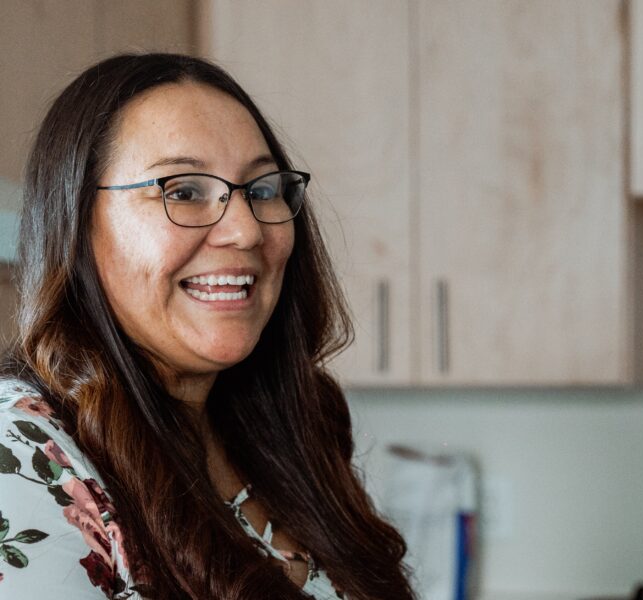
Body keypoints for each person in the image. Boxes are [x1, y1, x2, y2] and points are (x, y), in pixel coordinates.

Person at [0, 53, 415, 600]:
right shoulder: (23, 456)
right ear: (76, 226)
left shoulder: (292, 426)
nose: (245, 230)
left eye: (263, 189)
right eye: (184, 192)